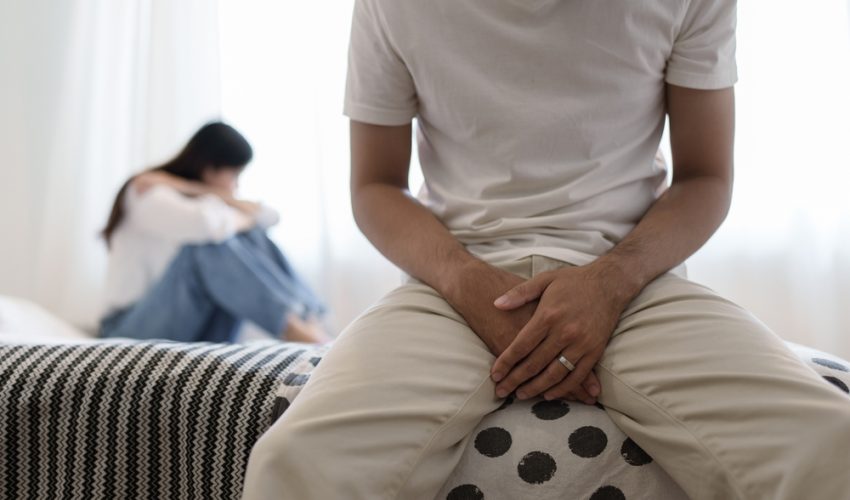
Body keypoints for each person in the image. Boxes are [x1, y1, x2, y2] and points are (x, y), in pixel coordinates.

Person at [241, 0, 850, 498]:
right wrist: (467, 284)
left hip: (634, 284)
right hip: (452, 288)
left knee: (831, 444)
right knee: (295, 464)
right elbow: (376, 185)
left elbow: (706, 178)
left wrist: (610, 283)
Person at [99, 121, 328, 345]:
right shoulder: (147, 193)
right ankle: (299, 330)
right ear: (210, 170)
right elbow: (207, 226)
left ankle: (308, 320)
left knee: (250, 233)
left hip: (185, 326)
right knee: (206, 248)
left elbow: (270, 217)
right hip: (126, 330)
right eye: (234, 175)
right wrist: (229, 206)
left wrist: (198, 189)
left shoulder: (202, 199)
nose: (235, 186)